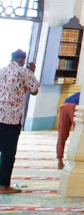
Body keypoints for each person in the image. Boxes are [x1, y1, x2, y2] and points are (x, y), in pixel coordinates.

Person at [0, 48, 38, 193]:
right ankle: (3, 186)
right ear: (23, 60)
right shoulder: (24, 72)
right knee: (8, 154)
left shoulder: (2, 70)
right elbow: (34, 90)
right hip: (11, 119)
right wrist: (31, 72)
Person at [55, 91, 78, 170]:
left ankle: (59, 161)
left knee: (62, 135)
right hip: (75, 106)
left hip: (64, 105)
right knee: (80, 135)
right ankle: (76, 161)